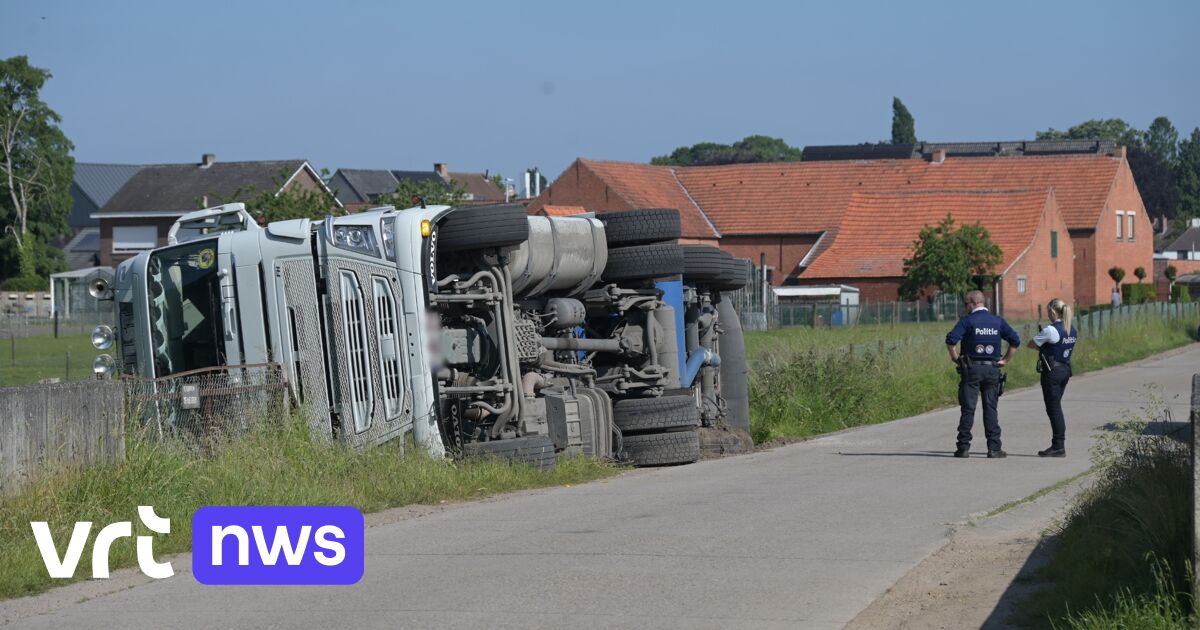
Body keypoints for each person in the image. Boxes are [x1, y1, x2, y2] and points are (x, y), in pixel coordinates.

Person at [945, 290, 1021, 458]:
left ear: (973, 303)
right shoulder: (998, 321)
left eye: (966, 304)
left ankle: (963, 448)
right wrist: (1005, 360)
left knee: (968, 409)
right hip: (992, 369)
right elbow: (1015, 341)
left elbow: (951, 341)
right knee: (991, 408)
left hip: (971, 369)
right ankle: (994, 448)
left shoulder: (968, 321)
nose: (965, 307)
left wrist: (955, 358)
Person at [1028, 298, 1077, 457]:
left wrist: (1044, 347)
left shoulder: (1051, 330)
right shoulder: (1072, 329)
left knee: (1054, 409)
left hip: (1052, 372)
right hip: (1065, 369)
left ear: (1052, 311)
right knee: (1056, 407)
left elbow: (1032, 344)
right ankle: (1058, 444)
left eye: (1048, 311)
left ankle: (1058, 446)